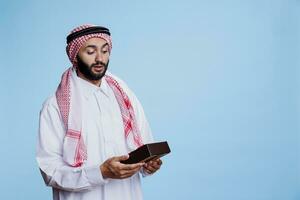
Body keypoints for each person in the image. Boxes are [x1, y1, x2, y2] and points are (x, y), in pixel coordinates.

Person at [36, 24, 162, 200]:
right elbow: (50, 171)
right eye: (90, 52)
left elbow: (144, 143)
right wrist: (101, 172)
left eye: (104, 51)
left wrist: (147, 165)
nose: (100, 59)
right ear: (74, 56)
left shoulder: (124, 96)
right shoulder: (55, 106)